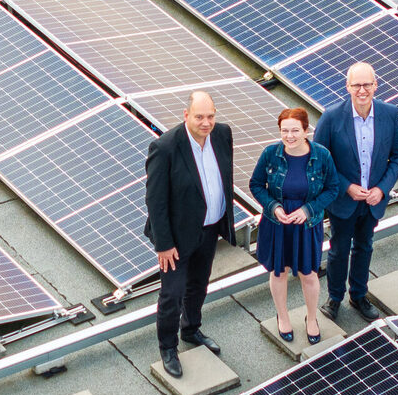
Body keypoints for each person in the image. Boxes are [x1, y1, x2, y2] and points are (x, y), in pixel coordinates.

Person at [144, 91, 234, 378]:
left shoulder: (222, 134)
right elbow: (155, 201)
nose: (206, 123)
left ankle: (191, 330)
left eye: (210, 116)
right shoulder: (166, 147)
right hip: (177, 239)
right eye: (199, 117)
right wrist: (164, 244)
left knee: (199, 284)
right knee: (172, 293)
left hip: (210, 229)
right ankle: (168, 347)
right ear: (186, 116)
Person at [313, 62, 398, 321]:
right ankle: (334, 298)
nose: (362, 90)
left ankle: (359, 295)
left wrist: (382, 189)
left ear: (376, 85)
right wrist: (347, 187)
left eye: (367, 84)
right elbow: (320, 161)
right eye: (356, 85)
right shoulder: (331, 117)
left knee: (364, 246)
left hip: (373, 201)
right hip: (344, 201)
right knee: (339, 249)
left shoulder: (390, 113)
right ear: (347, 87)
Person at [250, 108, 340, 344]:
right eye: (284, 131)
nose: (289, 136)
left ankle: (311, 318)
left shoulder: (322, 156)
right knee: (278, 272)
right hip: (277, 224)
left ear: (306, 130)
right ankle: (283, 317)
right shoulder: (271, 153)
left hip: (307, 225)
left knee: (309, 274)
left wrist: (307, 210)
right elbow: (256, 184)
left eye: (295, 130)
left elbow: (333, 188)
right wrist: (275, 208)